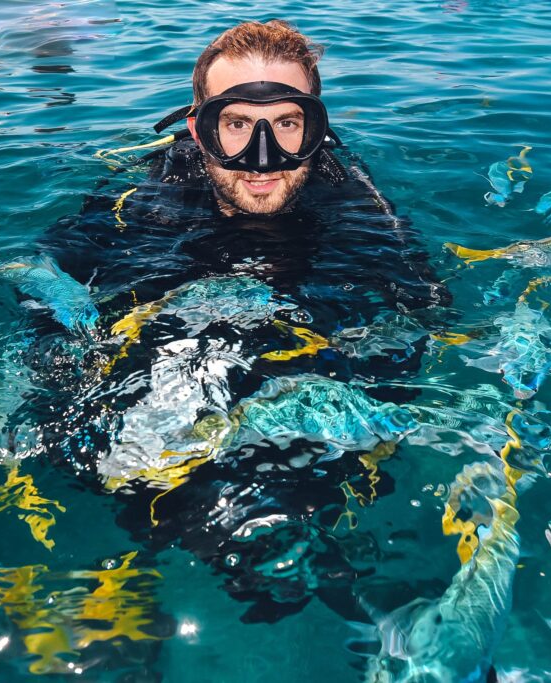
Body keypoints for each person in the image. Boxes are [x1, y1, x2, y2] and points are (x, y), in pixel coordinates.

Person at [36, 20, 454, 625]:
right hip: (169, 320)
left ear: (317, 128)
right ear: (198, 130)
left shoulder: (354, 200)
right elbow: (44, 272)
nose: (263, 157)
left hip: (300, 324)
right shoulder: (146, 193)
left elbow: (422, 309)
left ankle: (279, 536)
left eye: (287, 123)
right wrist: (66, 350)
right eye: (235, 124)